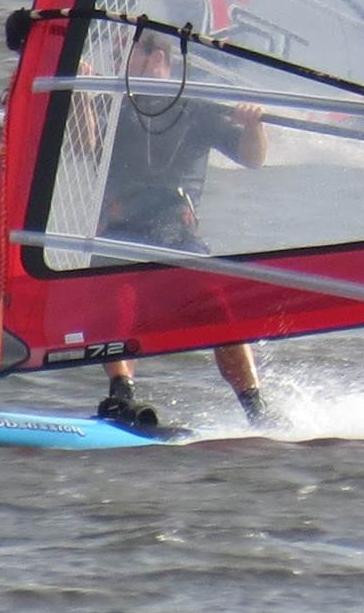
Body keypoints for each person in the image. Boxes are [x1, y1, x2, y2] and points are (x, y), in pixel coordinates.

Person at [90, 31, 270, 430]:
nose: (117, 61)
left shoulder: (196, 109)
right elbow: (86, 144)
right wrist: (82, 95)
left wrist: (253, 124)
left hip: (177, 232)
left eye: (125, 53)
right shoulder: (110, 99)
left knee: (221, 315)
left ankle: (257, 409)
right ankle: (122, 393)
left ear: (158, 59)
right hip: (119, 229)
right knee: (114, 307)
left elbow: (252, 158)